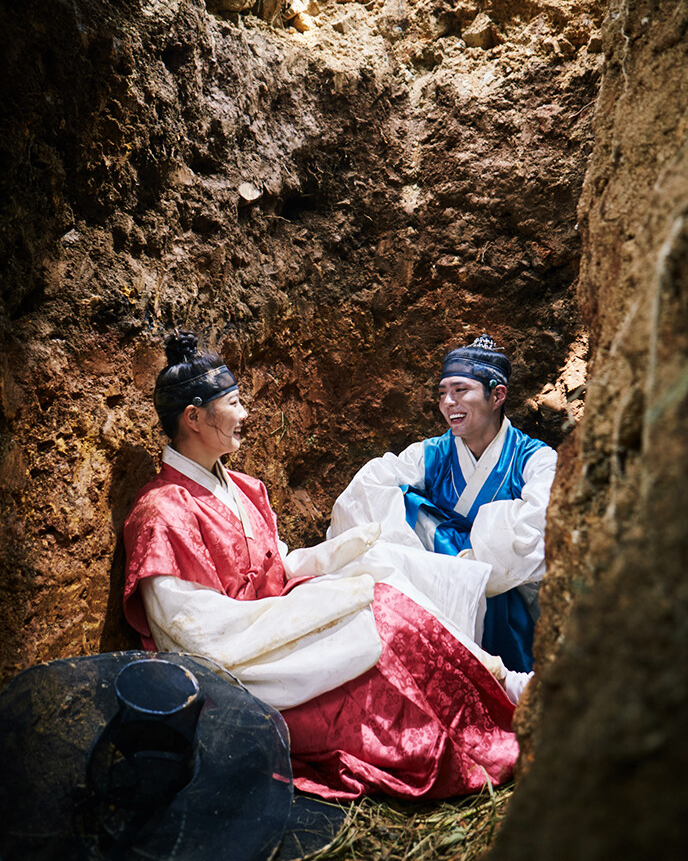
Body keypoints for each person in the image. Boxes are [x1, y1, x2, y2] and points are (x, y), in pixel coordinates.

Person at [123, 331, 525, 801]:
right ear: (193, 417)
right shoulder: (161, 512)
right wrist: (309, 611)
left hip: (274, 631)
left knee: (390, 598)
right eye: (233, 403)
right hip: (241, 666)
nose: (245, 414)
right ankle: (482, 731)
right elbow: (191, 633)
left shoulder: (245, 488)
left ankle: (503, 697)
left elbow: (278, 564)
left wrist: (338, 554)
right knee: (383, 638)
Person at [329, 335, 557, 673]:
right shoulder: (431, 454)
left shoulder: (535, 459)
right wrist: (425, 565)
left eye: (460, 390)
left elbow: (537, 530)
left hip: (505, 604)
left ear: (498, 395)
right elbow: (366, 491)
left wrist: (464, 564)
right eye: (442, 393)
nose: (448, 402)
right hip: (435, 594)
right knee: (398, 499)